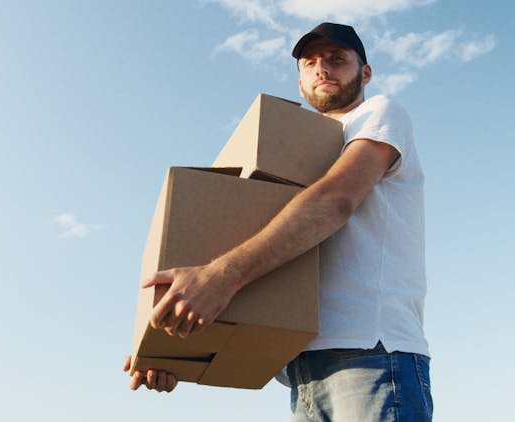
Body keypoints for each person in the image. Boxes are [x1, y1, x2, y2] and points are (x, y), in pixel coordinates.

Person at [124, 22, 433, 421]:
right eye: (310, 62)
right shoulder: (291, 156)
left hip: (371, 354)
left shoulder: (379, 113)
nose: (322, 68)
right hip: (297, 368)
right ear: (300, 78)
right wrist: (165, 344)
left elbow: (334, 201)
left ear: (365, 73)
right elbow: (237, 246)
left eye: (337, 59)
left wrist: (219, 278)